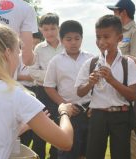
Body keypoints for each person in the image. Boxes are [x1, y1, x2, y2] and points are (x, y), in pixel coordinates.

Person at [0, 19, 74, 159]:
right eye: (18, 51)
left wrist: (21, 127)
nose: (19, 58)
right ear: (7, 53)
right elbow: (65, 142)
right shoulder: (13, 94)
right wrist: (64, 112)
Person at [75, 15, 136, 159]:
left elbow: (133, 95)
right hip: (97, 116)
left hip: (121, 116)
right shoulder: (90, 63)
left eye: (106, 37)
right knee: (93, 154)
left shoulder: (127, 63)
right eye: (98, 37)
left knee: (121, 154)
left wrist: (112, 80)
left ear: (119, 38)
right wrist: (90, 83)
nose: (101, 42)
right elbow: (79, 92)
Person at [44, 20, 93, 159]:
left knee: (88, 150)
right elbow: (49, 86)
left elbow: (98, 86)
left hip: (90, 110)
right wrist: (64, 105)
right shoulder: (56, 61)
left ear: (82, 39)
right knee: (68, 149)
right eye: (69, 39)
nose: (73, 43)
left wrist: (95, 105)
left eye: (77, 38)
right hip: (69, 112)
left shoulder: (91, 59)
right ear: (61, 40)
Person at [107, 1, 136, 158]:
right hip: (115, 89)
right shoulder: (115, 32)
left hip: (131, 90)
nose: (113, 15)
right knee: (119, 129)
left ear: (123, 12)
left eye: (115, 12)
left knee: (132, 127)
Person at [28, 12, 63, 159]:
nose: (50, 32)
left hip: (62, 92)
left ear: (59, 28)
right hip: (42, 92)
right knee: (40, 129)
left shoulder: (66, 46)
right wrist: (52, 77)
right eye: (46, 29)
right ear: (41, 30)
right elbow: (33, 71)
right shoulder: (38, 49)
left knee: (60, 125)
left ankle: (55, 156)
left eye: (53, 28)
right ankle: (38, 155)